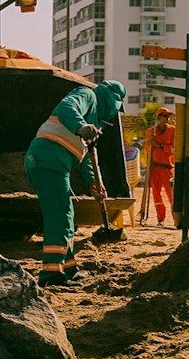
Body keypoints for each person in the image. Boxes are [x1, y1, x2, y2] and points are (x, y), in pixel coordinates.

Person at [25, 78, 122, 285]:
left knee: (67, 217)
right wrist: (81, 126)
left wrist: (94, 181)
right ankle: (51, 273)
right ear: (113, 100)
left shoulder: (93, 119)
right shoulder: (88, 95)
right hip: (47, 160)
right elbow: (67, 107)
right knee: (58, 216)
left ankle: (69, 268)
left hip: (53, 164)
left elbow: (86, 155)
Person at [145, 107, 177, 223]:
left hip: (168, 166)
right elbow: (148, 150)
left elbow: (174, 149)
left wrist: (160, 145)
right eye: (164, 115)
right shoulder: (151, 131)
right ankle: (160, 219)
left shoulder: (173, 131)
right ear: (159, 117)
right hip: (154, 166)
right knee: (156, 193)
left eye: (168, 116)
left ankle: (176, 218)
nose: (167, 118)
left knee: (171, 194)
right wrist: (150, 143)